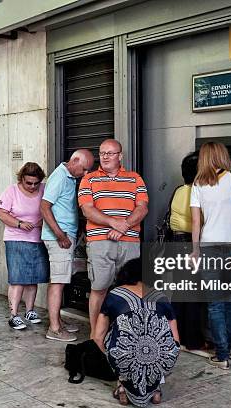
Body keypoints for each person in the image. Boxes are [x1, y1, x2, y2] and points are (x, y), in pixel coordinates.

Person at [190, 142, 231, 369]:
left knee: (214, 304)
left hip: (208, 245)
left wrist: (195, 251)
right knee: (230, 300)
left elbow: (197, 222)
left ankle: (222, 354)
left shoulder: (197, 184)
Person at [78, 139, 149, 338]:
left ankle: (126, 335)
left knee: (130, 289)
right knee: (99, 288)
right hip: (100, 242)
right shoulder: (89, 179)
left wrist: (124, 225)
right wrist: (113, 223)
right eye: (102, 153)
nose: (105, 157)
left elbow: (142, 208)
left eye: (110, 153)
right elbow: (87, 210)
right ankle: (96, 336)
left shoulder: (135, 178)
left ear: (120, 156)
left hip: (129, 242)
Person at [93, 258, 180, 406]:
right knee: (161, 344)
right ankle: (156, 388)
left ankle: (122, 386)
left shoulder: (115, 294)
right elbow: (175, 341)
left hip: (125, 358)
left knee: (112, 335)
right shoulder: (161, 296)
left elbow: (97, 337)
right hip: (161, 360)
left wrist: (114, 360)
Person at [41, 149, 94, 342]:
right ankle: (54, 329)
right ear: (75, 161)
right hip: (59, 238)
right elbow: (44, 207)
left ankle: (58, 323)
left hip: (65, 235)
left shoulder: (69, 177)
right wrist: (60, 235)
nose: (86, 174)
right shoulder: (60, 177)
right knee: (58, 281)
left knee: (61, 279)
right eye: (85, 169)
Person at [0, 162, 48, 330]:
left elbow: (49, 209)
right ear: (21, 179)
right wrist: (19, 223)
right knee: (18, 278)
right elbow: (1, 213)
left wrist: (44, 220)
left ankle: (30, 310)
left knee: (33, 278)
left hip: (37, 238)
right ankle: (13, 315)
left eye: (36, 183)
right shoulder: (12, 191)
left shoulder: (44, 189)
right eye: (28, 183)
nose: (33, 186)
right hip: (16, 238)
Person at [168, 152, 211, 350]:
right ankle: (194, 340)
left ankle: (177, 336)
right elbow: (201, 221)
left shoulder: (178, 190)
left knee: (180, 293)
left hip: (176, 243)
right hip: (189, 245)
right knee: (193, 295)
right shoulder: (198, 192)